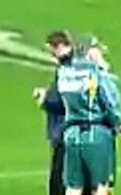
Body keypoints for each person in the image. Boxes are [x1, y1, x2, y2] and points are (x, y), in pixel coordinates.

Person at [57, 36, 121, 195]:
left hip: (72, 135)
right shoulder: (97, 74)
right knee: (100, 186)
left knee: (73, 187)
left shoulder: (63, 74)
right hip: (96, 134)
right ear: (90, 52)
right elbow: (111, 106)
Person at [35, 30, 79, 195]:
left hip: (65, 131)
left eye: (52, 50)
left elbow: (64, 99)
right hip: (70, 132)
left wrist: (45, 99)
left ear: (59, 46)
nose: (51, 54)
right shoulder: (71, 66)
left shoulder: (68, 68)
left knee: (60, 182)